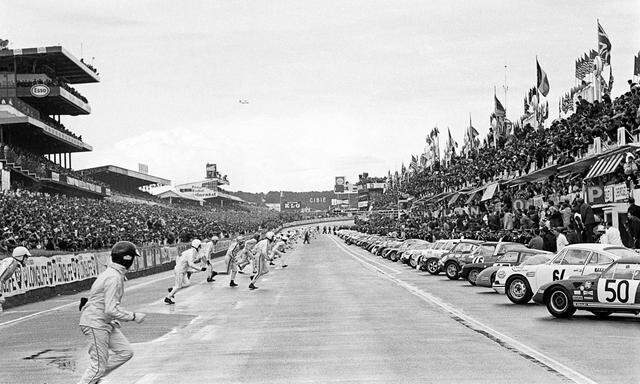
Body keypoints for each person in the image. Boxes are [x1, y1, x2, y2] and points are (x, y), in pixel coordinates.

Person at [77, 241, 146, 384]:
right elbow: (110, 308)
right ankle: (94, 375)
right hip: (95, 323)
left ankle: (94, 376)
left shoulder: (112, 273)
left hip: (104, 321)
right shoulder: (113, 277)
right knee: (98, 368)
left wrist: (112, 317)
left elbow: (105, 303)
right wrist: (133, 316)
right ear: (127, 259)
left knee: (126, 352)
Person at [165, 239, 207, 304]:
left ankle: (173, 289)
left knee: (187, 284)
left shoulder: (191, 252)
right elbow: (191, 264)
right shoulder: (191, 253)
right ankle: (168, 297)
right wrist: (200, 268)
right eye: (199, 246)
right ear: (197, 246)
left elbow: (178, 257)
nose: (200, 247)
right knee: (178, 286)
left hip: (183, 271)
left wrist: (179, 264)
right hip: (180, 271)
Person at [0, 246, 31, 313]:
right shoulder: (11, 262)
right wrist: (0, 295)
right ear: (20, 256)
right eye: (26, 257)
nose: (27, 259)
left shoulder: (14, 263)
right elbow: (0, 279)